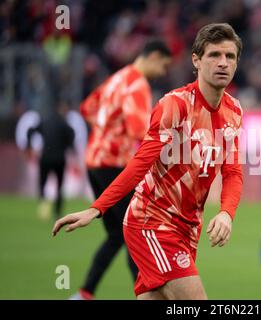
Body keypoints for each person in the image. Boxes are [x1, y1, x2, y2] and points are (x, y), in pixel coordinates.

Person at [53, 23, 244, 300]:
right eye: (214, 55)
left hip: (188, 228)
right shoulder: (174, 105)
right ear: (196, 60)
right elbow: (141, 161)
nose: (223, 63)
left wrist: (227, 212)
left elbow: (233, 171)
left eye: (230, 56)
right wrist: (97, 209)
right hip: (152, 221)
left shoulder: (234, 110)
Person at [70, 40, 172, 300]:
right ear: (154, 56)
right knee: (136, 231)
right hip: (115, 164)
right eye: (164, 65)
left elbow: (87, 108)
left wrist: (107, 130)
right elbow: (140, 130)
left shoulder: (115, 79)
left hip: (94, 160)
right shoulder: (137, 84)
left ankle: (84, 293)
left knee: (119, 234)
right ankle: (147, 294)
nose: (163, 71)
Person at [27, 104, 75, 220]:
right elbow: (72, 135)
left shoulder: (45, 122)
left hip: (45, 158)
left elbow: (30, 131)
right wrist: (68, 146)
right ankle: (57, 212)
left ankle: (43, 206)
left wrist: (28, 146)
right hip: (59, 159)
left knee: (42, 183)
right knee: (59, 186)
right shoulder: (64, 124)